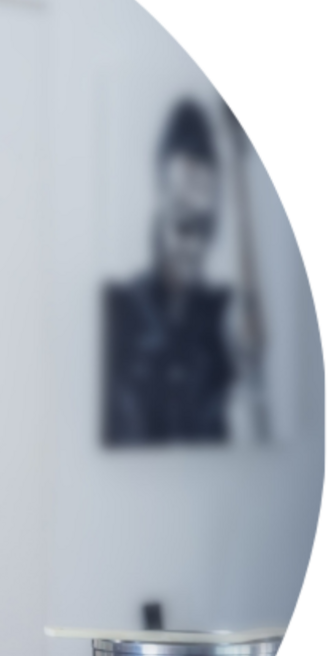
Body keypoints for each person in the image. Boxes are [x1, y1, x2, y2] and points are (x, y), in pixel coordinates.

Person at [102, 98, 234, 445]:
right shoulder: (118, 312)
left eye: (206, 226)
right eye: (182, 221)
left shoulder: (221, 323)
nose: (194, 245)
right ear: (159, 203)